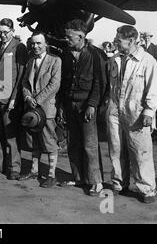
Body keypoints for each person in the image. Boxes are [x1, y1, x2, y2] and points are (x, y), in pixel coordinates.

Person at [106, 25, 157, 204]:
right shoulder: (114, 59)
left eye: (119, 39)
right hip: (115, 110)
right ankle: (119, 183)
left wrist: (149, 111)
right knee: (116, 148)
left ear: (130, 41)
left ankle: (146, 189)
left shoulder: (147, 60)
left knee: (140, 152)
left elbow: (155, 88)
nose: (116, 42)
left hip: (136, 112)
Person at [58, 19, 106, 196]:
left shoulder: (95, 54)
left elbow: (100, 83)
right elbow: (65, 81)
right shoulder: (66, 54)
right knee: (74, 143)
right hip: (70, 104)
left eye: (69, 36)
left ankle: (96, 182)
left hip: (87, 106)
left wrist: (92, 105)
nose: (67, 39)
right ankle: (79, 178)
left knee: (90, 145)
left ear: (81, 36)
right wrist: (63, 105)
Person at [0, 18, 28, 180]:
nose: (2, 35)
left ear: (12, 31)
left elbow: (21, 75)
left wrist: (14, 99)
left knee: (11, 134)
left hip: (10, 98)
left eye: (5, 32)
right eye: (0, 32)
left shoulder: (20, 47)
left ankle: (14, 167)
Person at [20, 32, 61, 187]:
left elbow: (54, 85)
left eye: (39, 43)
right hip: (31, 110)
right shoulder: (30, 61)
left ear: (46, 44)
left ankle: (51, 175)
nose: (35, 46)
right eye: (33, 43)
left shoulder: (55, 61)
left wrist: (37, 100)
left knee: (49, 141)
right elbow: (25, 82)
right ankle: (34, 170)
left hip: (46, 110)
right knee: (34, 141)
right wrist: (28, 98)